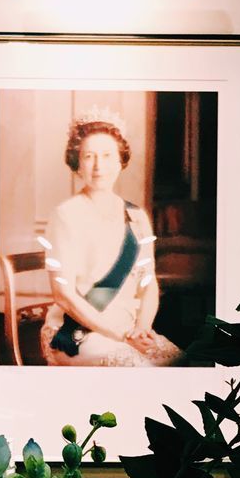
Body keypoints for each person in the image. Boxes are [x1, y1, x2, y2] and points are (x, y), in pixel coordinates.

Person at [40, 111, 182, 367]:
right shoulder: (65, 215)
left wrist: (141, 328)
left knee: (178, 363)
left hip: (127, 328)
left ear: (120, 161)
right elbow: (63, 295)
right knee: (139, 369)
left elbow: (148, 283)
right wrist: (123, 336)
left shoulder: (136, 216)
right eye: (88, 156)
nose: (98, 166)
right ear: (76, 163)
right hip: (73, 334)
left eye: (107, 156)